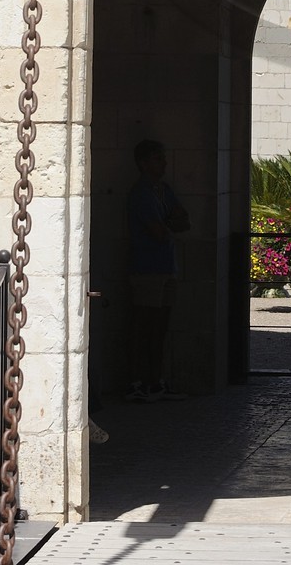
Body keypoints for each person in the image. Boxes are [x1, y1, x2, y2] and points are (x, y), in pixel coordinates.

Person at [126, 138, 190, 401]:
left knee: (161, 328)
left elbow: (184, 220)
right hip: (146, 268)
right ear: (143, 163)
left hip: (166, 266)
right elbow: (159, 231)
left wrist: (168, 223)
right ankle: (136, 382)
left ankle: (155, 381)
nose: (164, 163)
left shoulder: (163, 190)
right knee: (144, 327)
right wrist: (169, 222)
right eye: (157, 159)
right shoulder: (141, 193)